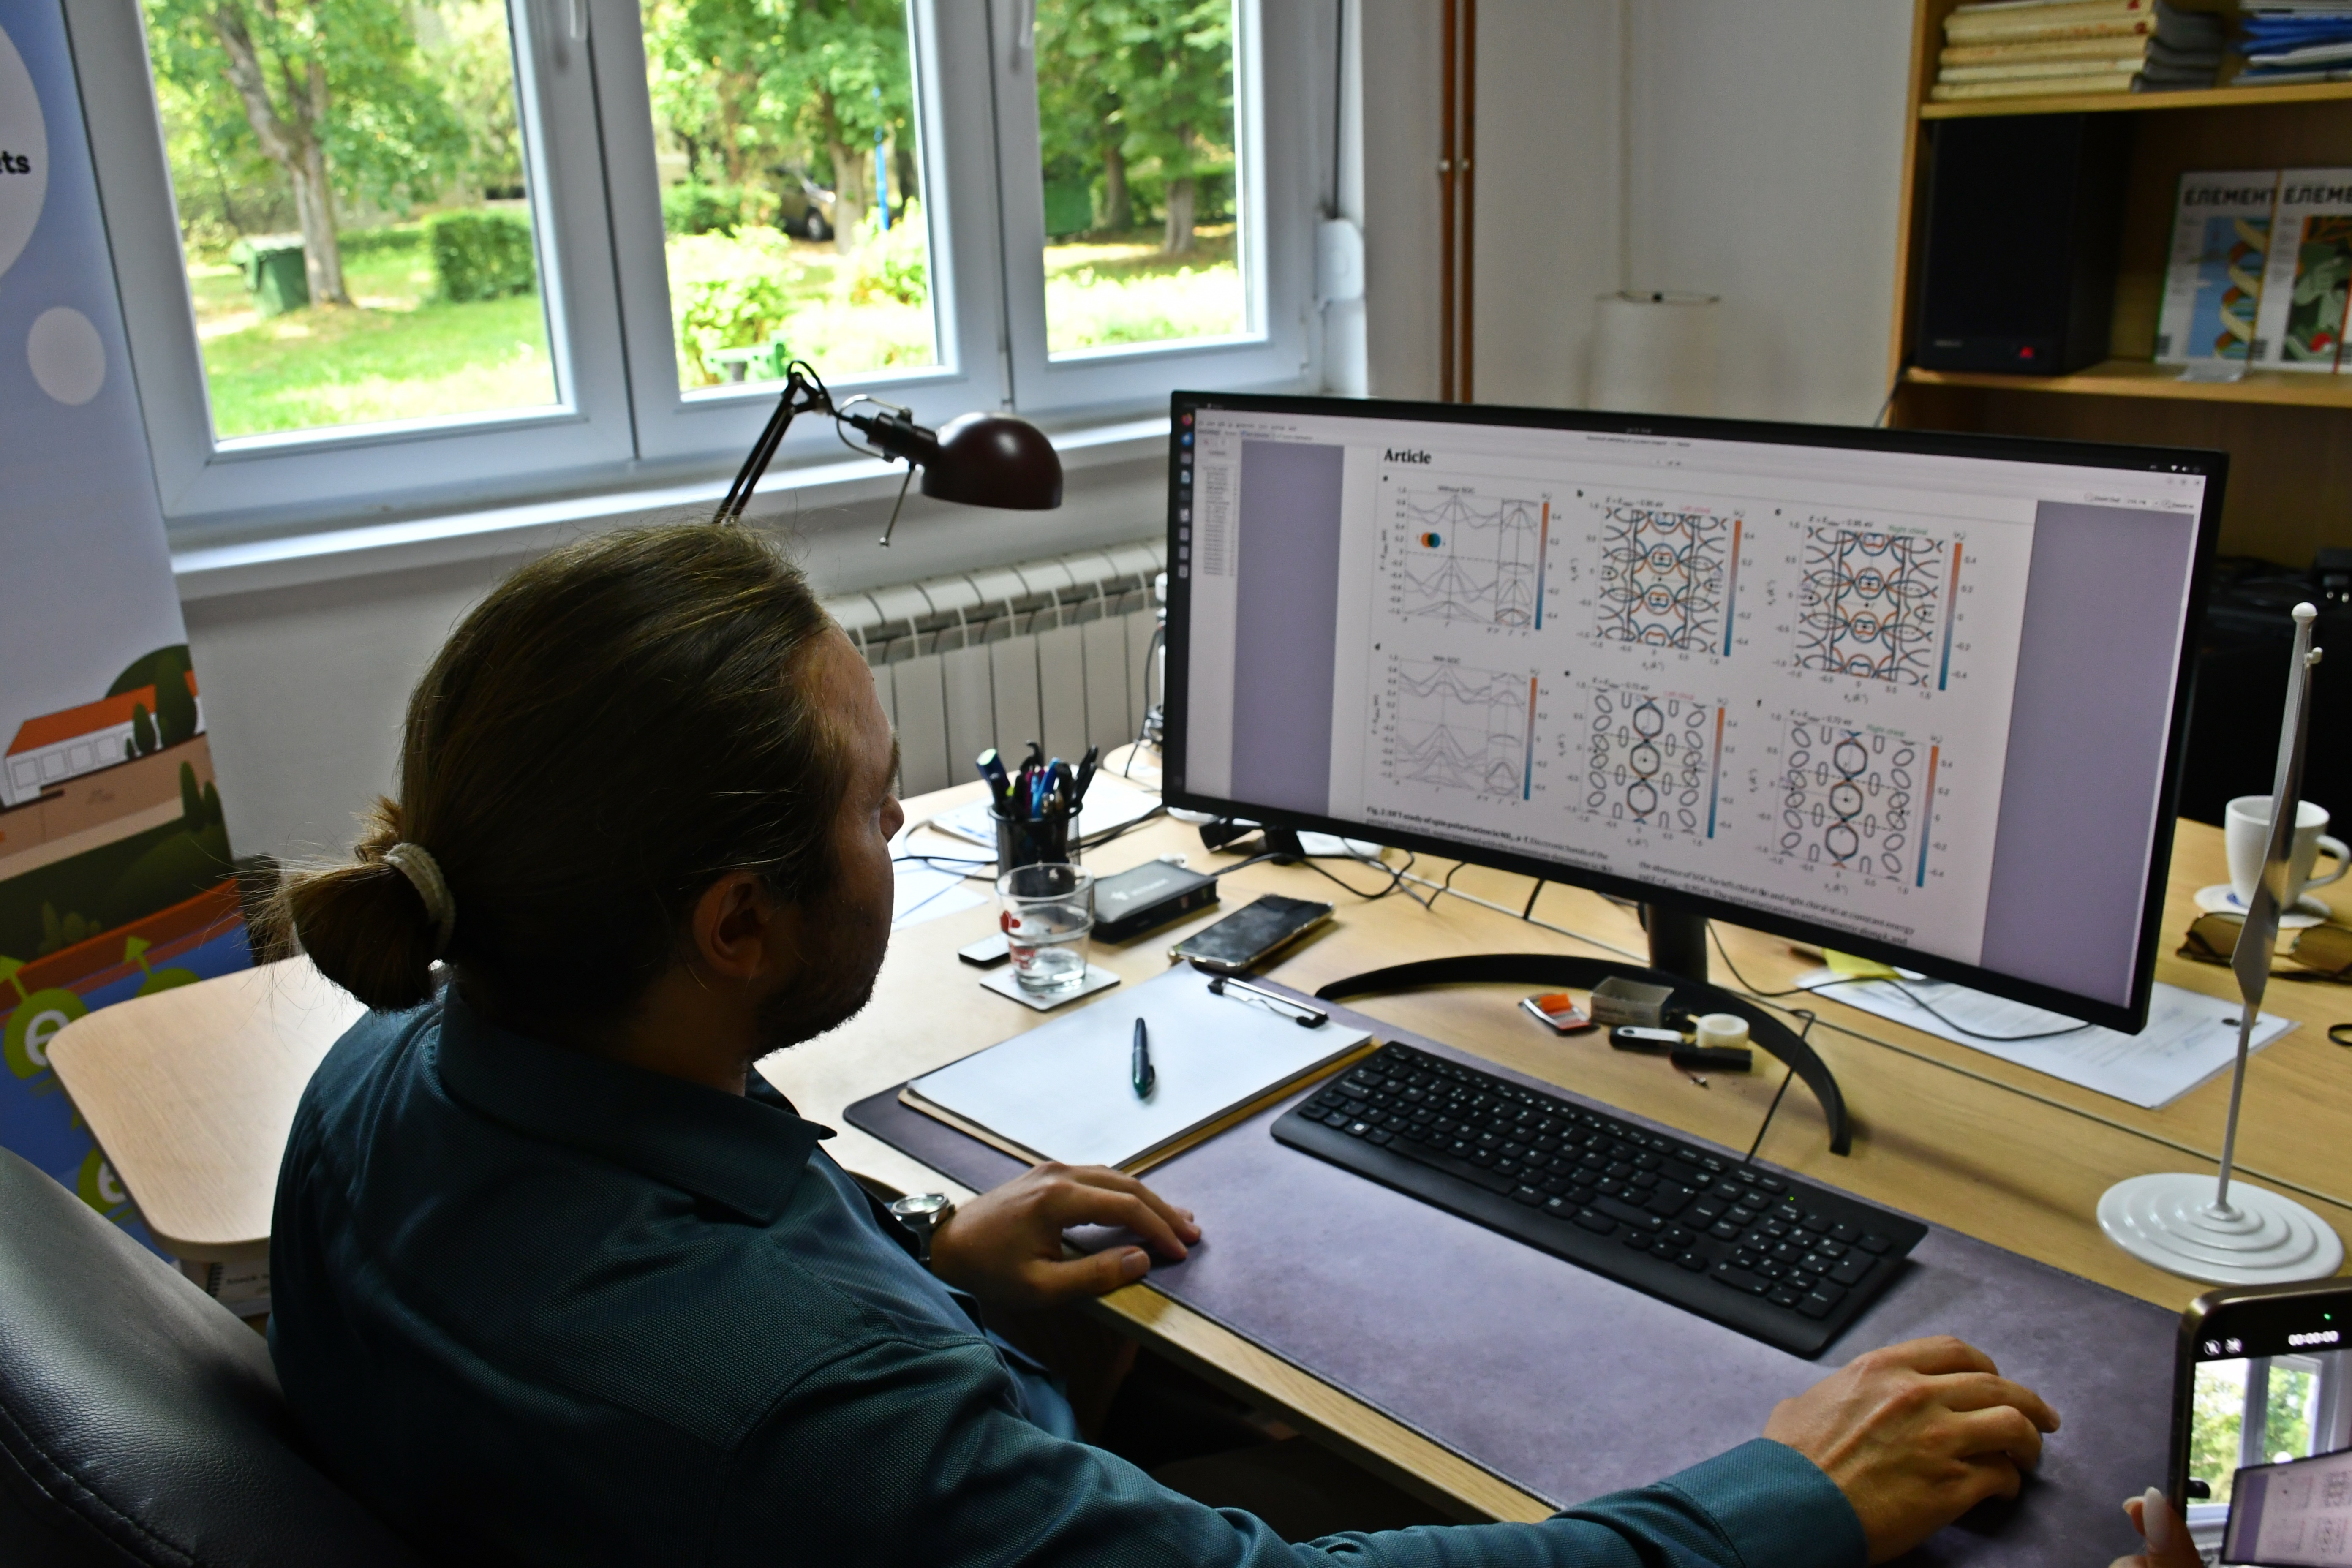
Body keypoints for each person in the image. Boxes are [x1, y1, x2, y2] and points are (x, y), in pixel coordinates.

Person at [268, 523, 2114, 1566]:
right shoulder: (823, 1420)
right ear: (735, 926)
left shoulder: (378, 1082)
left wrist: (930, 1259)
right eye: (881, 805)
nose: (907, 831)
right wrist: (1785, 1499)